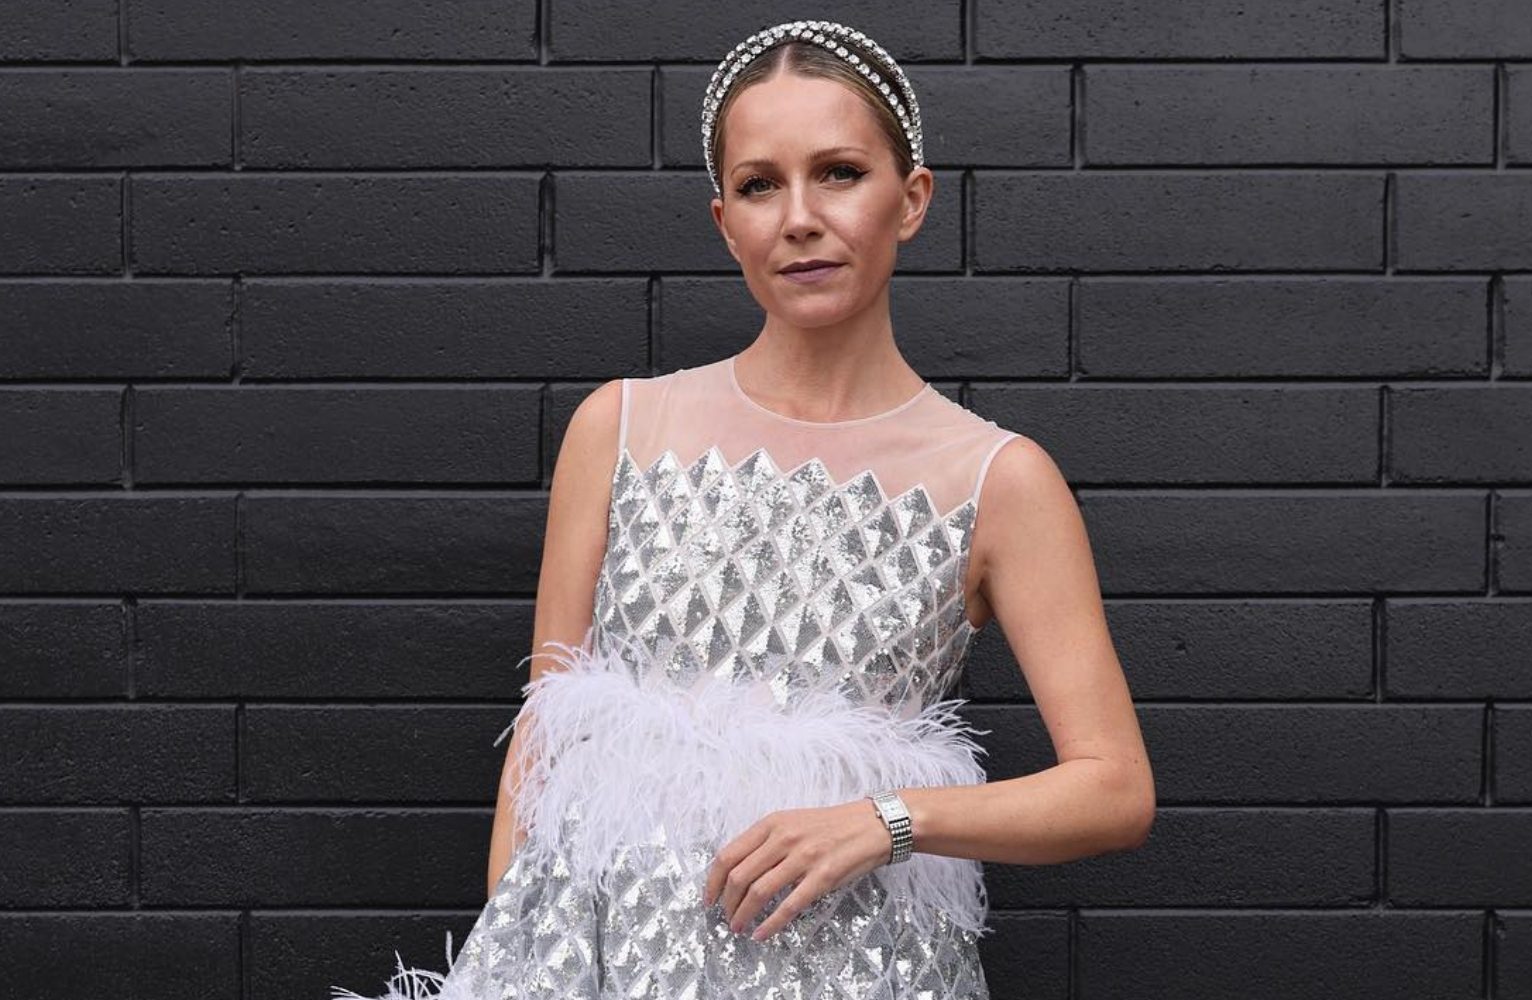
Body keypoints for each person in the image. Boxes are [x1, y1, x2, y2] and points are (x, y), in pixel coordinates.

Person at [331, 18, 1153, 999]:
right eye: (761, 184)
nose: (799, 217)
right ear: (726, 223)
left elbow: (1113, 788)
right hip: (615, 967)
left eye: (839, 173)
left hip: (865, 975)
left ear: (911, 199)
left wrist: (885, 819)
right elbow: (541, 747)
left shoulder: (995, 479)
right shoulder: (620, 428)